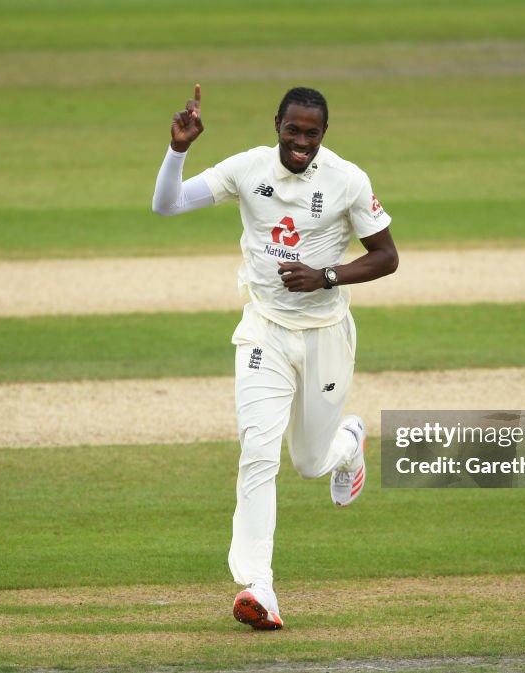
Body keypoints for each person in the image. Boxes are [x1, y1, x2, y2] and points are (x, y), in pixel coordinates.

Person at [152, 84, 398, 630]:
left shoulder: (348, 180)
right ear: (277, 125)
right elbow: (165, 204)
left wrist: (326, 276)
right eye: (294, 130)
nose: (302, 142)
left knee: (310, 462)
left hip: (326, 335)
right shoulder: (248, 169)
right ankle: (258, 587)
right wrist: (178, 150)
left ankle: (350, 443)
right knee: (258, 452)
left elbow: (386, 257)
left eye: (312, 133)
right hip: (264, 331)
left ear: (324, 134)